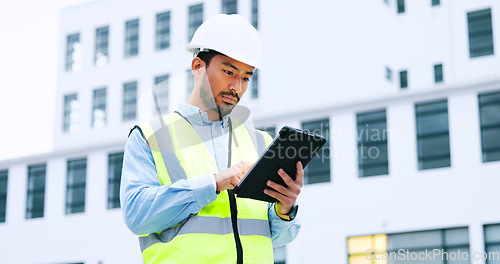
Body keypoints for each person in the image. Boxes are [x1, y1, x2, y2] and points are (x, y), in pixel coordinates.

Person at [120, 14, 302, 264]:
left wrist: (285, 209)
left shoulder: (260, 142)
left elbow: (278, 238)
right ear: (198, 67)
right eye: (229, 72)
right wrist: (214, 184)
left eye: (246, 78)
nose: (237, 87)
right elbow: (137, 216)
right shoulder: (151, 136)